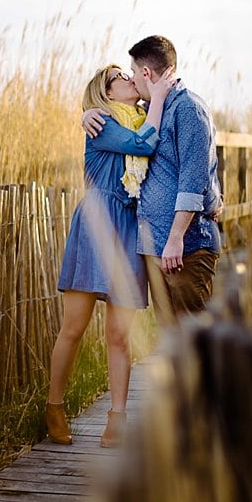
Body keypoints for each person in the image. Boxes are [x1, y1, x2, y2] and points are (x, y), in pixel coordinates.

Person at [45, 62, 176, 448]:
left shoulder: (141, 116)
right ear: (105, 93)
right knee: (75, 326)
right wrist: (88, 110)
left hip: (129, 226)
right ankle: (54, 405)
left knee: (120, 333)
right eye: (118, 78)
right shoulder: (101, 122)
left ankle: (117, 416)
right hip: (97, 224)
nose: (128, 79)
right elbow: (142, 145)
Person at [83, 35, 222, 329]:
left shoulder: (188, 110)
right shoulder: (150, 113)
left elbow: (193, 180)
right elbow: (124, 130)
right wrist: (88, 112)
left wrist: (176, 239)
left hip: (186, 247)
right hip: (157, 247)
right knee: (173, 346)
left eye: (133, 72)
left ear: (146, 73)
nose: (132, 79)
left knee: (196, 342)